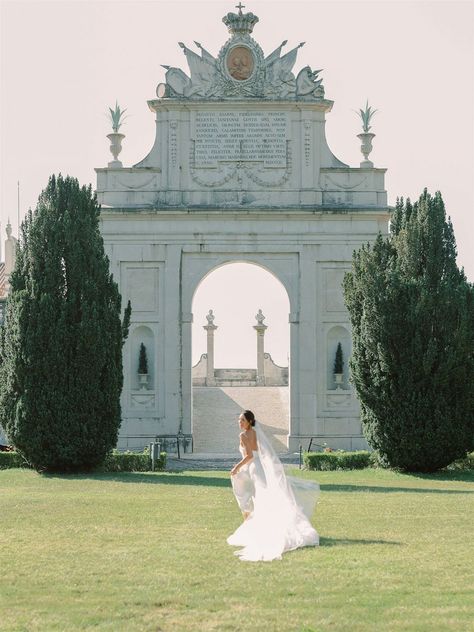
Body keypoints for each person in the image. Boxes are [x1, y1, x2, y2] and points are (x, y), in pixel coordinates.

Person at [227, 410, 320, 561]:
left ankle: (262, 531)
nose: (240, 423)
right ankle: (266, 528)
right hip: (261, 468)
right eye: (239, 420)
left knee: (255, 499)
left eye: (242, 420)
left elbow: (249, 456)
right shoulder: (257, 433)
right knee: (263, 498)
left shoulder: (243, 436)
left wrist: (236, 467)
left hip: (254, 468)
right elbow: (261, 454)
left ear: (250, 421)